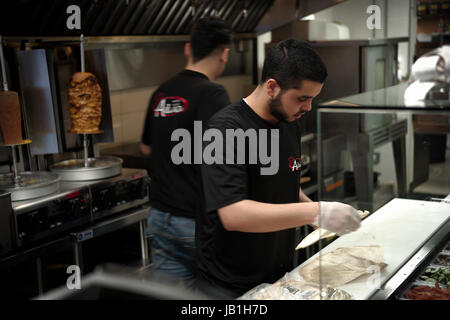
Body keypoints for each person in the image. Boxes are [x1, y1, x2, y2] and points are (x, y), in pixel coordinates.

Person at [197, 39, 361, 298]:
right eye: (302, 99)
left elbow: (286, 184)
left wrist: (320, 219)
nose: (307, 107)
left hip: (279, 275)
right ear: (272, 87)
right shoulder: (224, 130)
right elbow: (233, 214)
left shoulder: (289, 121)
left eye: (312, 99)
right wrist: (317, 211)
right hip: (231, 284)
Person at [140, 17, 232, 289]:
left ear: (188, 49)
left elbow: (146, 147)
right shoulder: (213, 94)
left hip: (159, 217)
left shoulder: (162, 91)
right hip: (194, 222)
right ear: (224, 53)